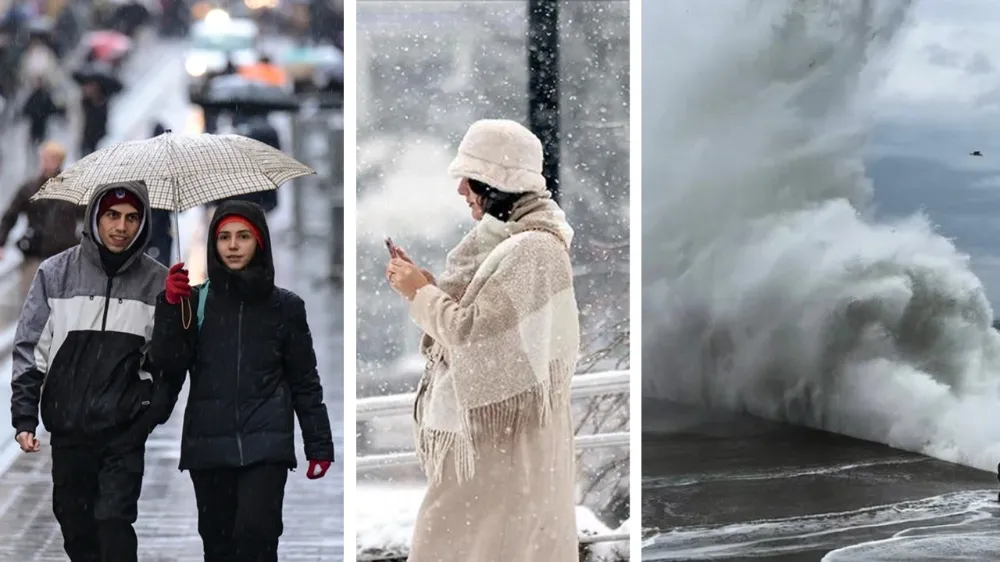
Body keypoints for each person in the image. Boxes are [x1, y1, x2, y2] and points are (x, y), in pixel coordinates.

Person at [385, 119, 581, 561]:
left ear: (497, 182)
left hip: (504, 445)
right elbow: (482, 324)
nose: (461, 190)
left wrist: (419, 292)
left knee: (463, 544)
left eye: (469, 178)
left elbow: (473, 334)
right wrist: (426, 287)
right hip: (495, 442)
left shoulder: (531, 250)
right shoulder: (505, 243)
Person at [150, 200, 335, 561]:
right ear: (213, 245)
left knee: (257, 538)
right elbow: (168, 364)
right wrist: (171, 307)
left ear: (260, 243)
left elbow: (305, 381)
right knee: (218, 547)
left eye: (243, 236)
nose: (233, 246)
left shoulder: (286, 307)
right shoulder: (195, 301)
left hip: (266, 448)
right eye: (224, 237)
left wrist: (319, 445)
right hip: (208, 447)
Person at [10, 180, 172, 562]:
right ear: (95, 218)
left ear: (143, 222)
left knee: (114, 522)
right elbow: (32, 348)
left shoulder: (158, 281)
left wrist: (148, 412)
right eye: (112, 216)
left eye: (132, 218)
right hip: (69, 428)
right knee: (76, 528)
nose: (121, 227)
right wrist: (24, 417)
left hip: (122, 430)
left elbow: (169, 362)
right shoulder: (56, 273)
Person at [0, 141, 80, 297]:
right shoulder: (30, 188)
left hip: (64, 254)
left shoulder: (73, 189)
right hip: (34, 251)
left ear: (60, 161)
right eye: (44, 158)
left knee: (60, 300)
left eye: (51, 158)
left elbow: (89, 216)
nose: (46, 162)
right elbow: (10, 215)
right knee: (32, 299)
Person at [146, 122, 174, 266]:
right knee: (163, 267)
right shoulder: (169, 168)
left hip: (148, 229)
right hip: (162, 229)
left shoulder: (145, 166)